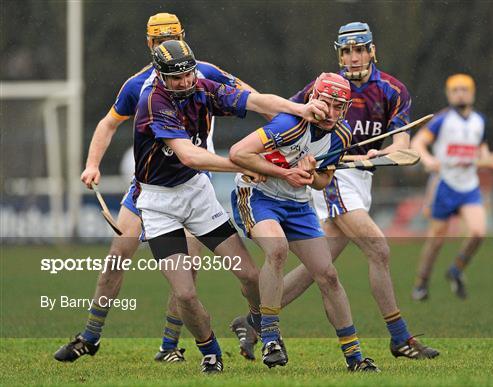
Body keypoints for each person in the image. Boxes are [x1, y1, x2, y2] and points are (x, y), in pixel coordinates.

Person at [54, 12, 265, 364]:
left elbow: (250, 96)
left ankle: (170, 347)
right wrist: (92, 163)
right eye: (157, 39)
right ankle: (90, 337)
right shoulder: (137, 86)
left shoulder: (203, 72)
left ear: (184, 37)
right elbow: (107, 125)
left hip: (195, 182)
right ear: (149, 44)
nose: (164, 44)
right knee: (117, 257)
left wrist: (278, 136)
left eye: (172, 37)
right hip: (148, 187)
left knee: (189, 270)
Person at [232, 21, 439, 360]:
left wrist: (383, 153)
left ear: (372, 51)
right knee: (379, 250)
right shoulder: (325, 88)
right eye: (346, 51)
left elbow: (403, 142)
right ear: (339, 54)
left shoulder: (392, 90)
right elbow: (288, 116)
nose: (353, 58)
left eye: (360, 50)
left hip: (361, 177)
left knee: (321, 271)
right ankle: (399, 338)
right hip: (333, 179)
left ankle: (253, 322)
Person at [131, 40, 327, 373]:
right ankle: (210, 351)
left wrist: (299, 109)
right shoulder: (154, 101)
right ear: (160, 76)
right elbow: (190, 155)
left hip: (196, 195)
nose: (183, 82)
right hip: (158, 204)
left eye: (187, 74)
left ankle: (256, 326)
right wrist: (243, 165)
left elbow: (255, 99)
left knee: (250, 275)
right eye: (174, 77)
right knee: (185, 293)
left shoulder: (203, 88)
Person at [230, 72, 379, 372]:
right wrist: (287, 172)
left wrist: (311, 175)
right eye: (327, 104)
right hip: (258, 195)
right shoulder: (289, 123)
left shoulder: (343, 135)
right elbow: (238, 153)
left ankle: (355, 358)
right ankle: (271, 338)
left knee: (327, 275)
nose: (332, 113)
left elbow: (323, 180)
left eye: (340, 107)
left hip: (298, 205)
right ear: (313, 98)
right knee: (277, 250)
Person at [411, 74, 493, 301]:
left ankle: (455, 270)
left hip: (469, 186)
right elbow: (418, 142)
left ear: (472, 93)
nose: (460, 93)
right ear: (449, 94)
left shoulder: (480, 121)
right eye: (455, 90)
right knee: (436, 240)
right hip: (444, 185)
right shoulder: (442, 120)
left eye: (464, 89)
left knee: (479, 232)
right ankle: (421, 283)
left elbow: (483, 153)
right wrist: (429, 161)